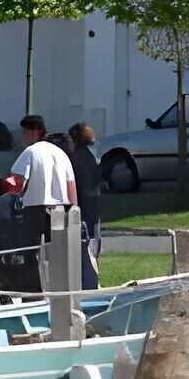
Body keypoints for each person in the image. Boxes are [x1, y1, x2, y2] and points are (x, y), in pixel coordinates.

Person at [2, 114, 78, 288]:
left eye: (25, 132)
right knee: (57, 251)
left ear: (33, 132)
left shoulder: (30, 152)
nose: (23, 136)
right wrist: (74, 212)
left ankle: (35, 287)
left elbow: (17, 181)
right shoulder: (60, 153)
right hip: (61, 209)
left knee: (32, 251)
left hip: (35, 208)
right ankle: (58, 285)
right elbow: (71, 185)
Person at [66, 122, 104, 292]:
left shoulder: (80, 156)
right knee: (94, 242)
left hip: (85, 204)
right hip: (93, 204)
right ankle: (92, 280)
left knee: (86, 244)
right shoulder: (94, 153)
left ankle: (89, 284)